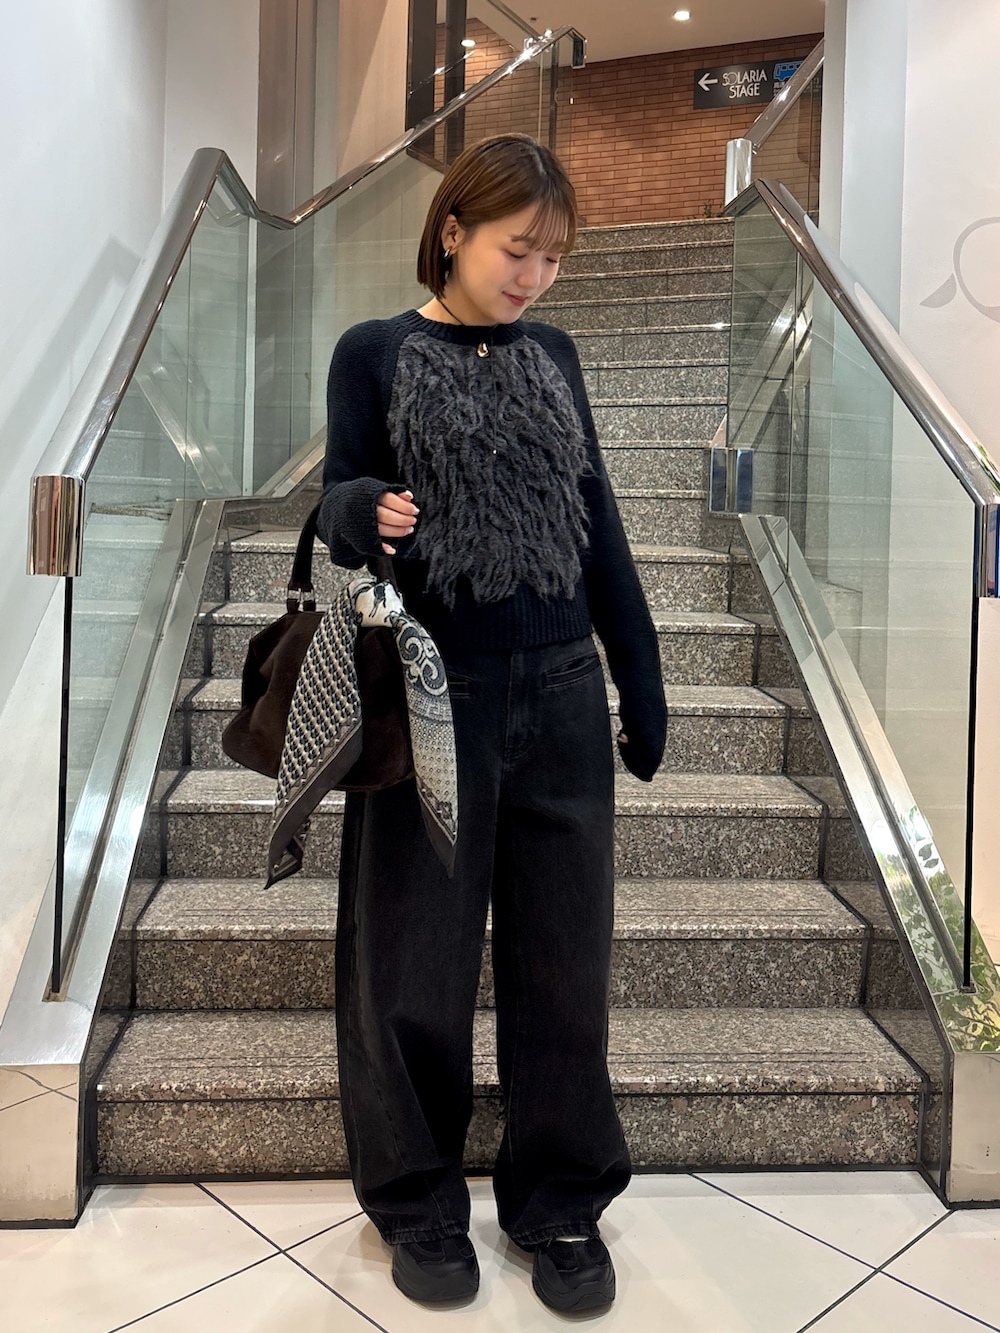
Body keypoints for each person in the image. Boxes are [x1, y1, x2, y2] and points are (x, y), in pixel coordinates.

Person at [316, 132, 667, 1314]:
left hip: (561, 688)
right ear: (455, 228)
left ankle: (559, 1202)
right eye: (519, 248)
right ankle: (417, 1200)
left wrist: (637, 669)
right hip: (434, 687)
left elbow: (595, 520)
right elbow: (334, 504)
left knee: (563, 959)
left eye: (553, 257)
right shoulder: (373, 352)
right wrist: (355, 507)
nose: (534, 275)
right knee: (412, 956)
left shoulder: (554, 354)